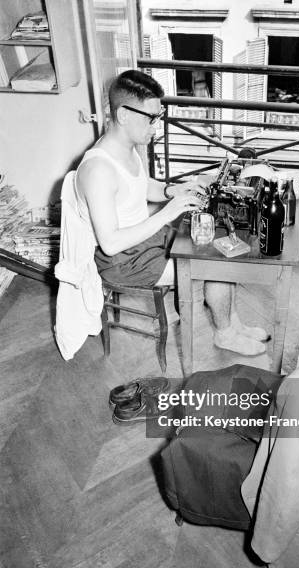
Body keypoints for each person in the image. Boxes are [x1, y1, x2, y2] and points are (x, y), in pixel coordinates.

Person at [75, 69, 269, 355]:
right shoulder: (98, 170)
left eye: (159, 116)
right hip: (122, 261)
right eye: (150, 118)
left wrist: (174, 190)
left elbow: (141, 187)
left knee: (219, 245)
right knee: (214, 263)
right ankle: (224, 334)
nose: (156, 125)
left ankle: (233, 323)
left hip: (143, 241)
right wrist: (167, 213)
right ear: (123, 114)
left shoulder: (127, 147)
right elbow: (111, 242)